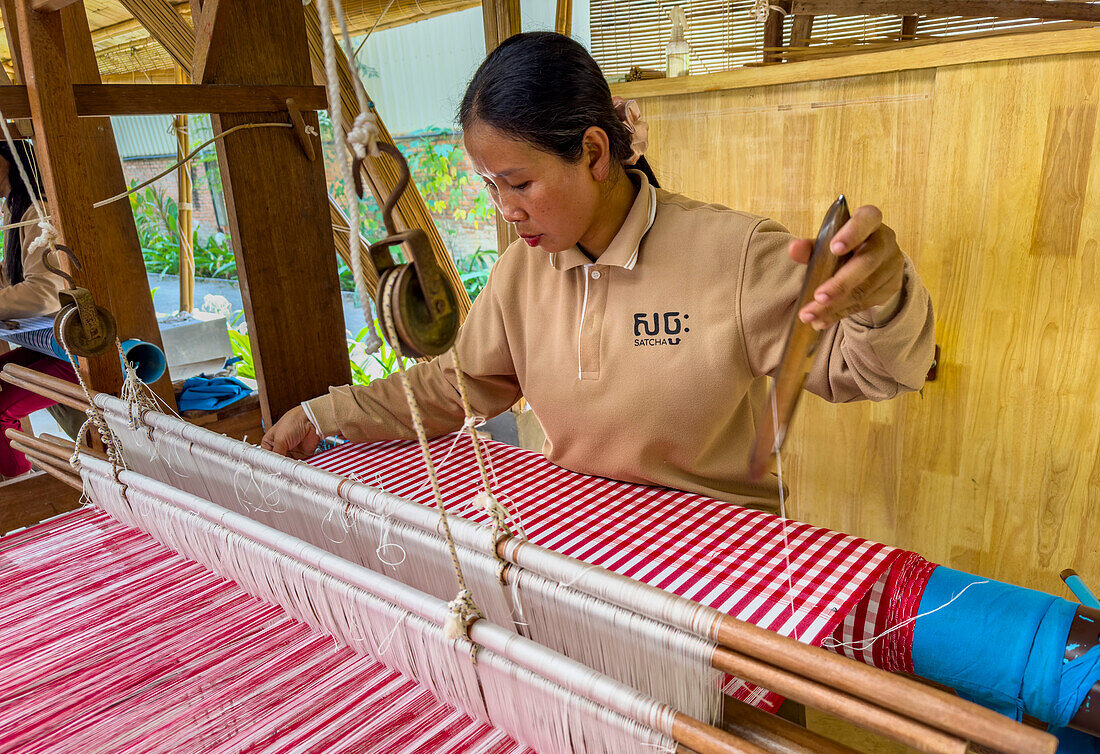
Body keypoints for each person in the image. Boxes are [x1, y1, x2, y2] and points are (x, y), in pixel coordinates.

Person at [262, 32, 935, 512]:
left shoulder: (733, 254)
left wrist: (886, 298)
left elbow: (879, 369)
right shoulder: (521, 275)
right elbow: (453, 387)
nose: (505, 211)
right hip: (587, 546)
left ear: (592, 153)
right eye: (491, 187)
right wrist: (323, 412)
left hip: (723, 565)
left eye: (518, 183)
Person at [0, 139, 76, 481]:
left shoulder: (37, 210)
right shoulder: (14, 209)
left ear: (7, 162)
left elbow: (45, 294)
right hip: (53, 345)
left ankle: (22, 491)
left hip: (76, 349)